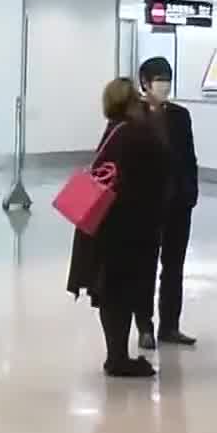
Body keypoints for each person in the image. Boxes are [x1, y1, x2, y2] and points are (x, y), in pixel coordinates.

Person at [66, 78, 171, 378]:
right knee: (122, 293)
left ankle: (116, 354)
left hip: (105, 224)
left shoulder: (114, 129)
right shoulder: (137, 133)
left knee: (110, 292)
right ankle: (118, 358)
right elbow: (158, 170)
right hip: (129, 228)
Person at [135, 57, 198, 350]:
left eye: (168, 78)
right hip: (145, 206)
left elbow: (189, 157)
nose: (164, 84)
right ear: (145, 83)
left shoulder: (180, 115)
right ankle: (144, 325)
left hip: (178, 203)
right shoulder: (132, 114)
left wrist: (190, 193)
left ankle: (169, 325)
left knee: (174, 266)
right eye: (159, 79)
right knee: (144, 266)